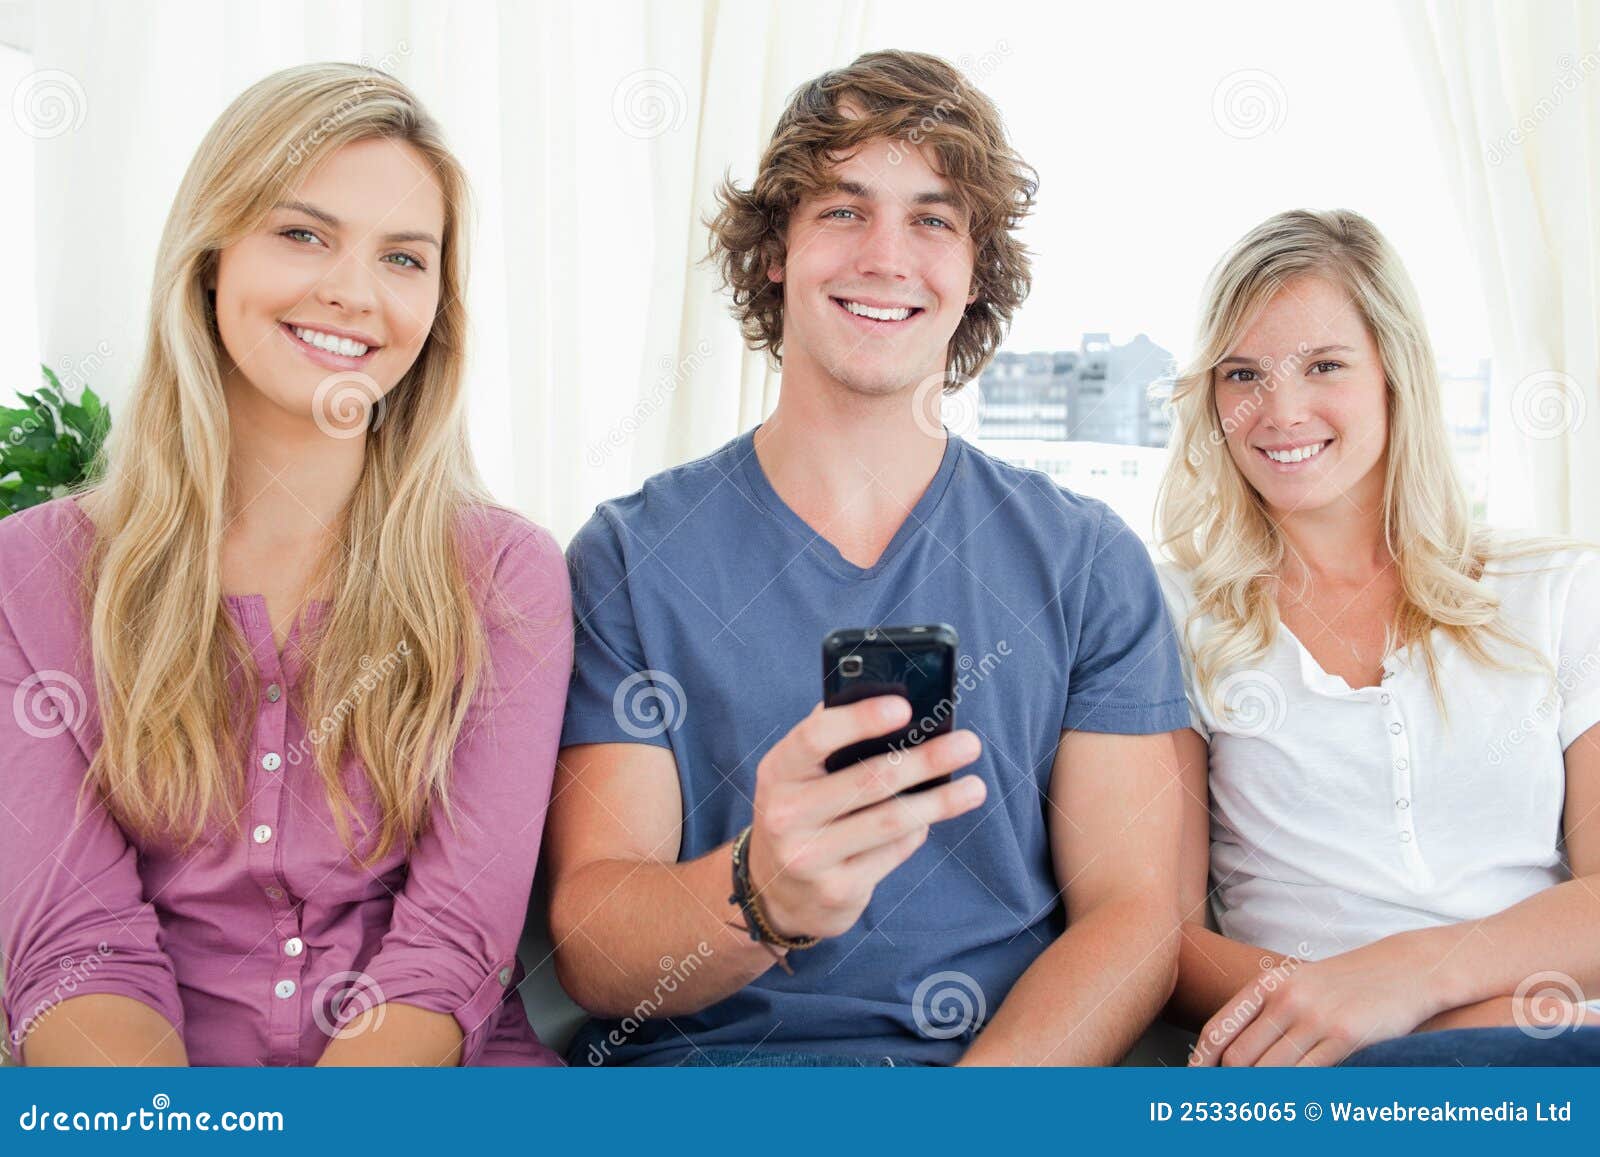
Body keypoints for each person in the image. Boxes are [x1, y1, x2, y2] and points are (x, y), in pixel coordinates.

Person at [547, 49, 1189, 1067]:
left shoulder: (1087, 564)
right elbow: (593, 935)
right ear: (775, 252)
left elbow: (1136, 915)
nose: (887, 256)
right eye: (843, 210)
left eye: (932, 218)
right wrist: (759, 893)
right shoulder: (629, 555)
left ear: (974, 269)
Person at [0, 64, 572, 1066]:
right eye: (303, 233)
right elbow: (75, 954)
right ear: (212, 256)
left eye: (404, 257)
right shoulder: (31, 574)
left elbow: (445, 953)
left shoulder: (504, 575)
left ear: (438, 304)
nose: (352, 291)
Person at [1156, 208, 1600, 1066]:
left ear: (1395, 374)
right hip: (1325, 1064)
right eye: (1243, 374)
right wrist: (1360, 1014)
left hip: (1553, 1047)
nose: (1280, 411)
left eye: (1324, 365)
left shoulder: (1560, 592)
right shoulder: (1174, 615)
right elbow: (1166, 944)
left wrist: (1409, 982)